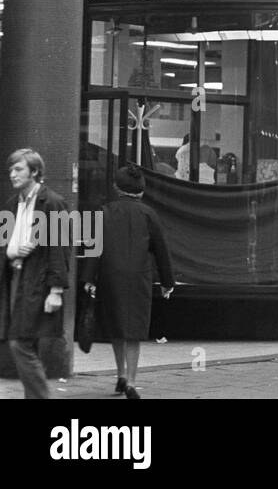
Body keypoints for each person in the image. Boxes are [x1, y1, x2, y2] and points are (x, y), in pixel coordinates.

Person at [81, 164, 175, 398]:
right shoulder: (149, 214)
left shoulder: (103, 212)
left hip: (110, 277)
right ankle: (132, 381)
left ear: (116, 187)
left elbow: (94, 248)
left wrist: (88, 278)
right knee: (134, 330)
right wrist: (167, 281)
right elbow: (161, 250)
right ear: (141, 191)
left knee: (116, 328)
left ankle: (120, 375)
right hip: (138, 278)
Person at [0, 148, 71, 399]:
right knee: (21, 341)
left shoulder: (52, 203)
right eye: (11, 169)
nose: (12, 174)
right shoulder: (12, 204)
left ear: (35, 171)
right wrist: (12, 251)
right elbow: (3, 245)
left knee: (20, 342)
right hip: (16, 280)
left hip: (38, 282)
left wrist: (56, 290)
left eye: (18, 169)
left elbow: (60, 248)